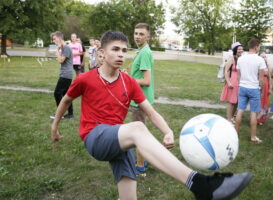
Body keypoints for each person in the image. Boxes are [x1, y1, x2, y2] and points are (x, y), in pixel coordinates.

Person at [50, 31, 252, 200]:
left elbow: (151, 112)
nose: (121, 54)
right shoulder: (85, 79)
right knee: (137, 128)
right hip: (95, 137)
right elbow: (66, 100)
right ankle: (200, 184)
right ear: (102, 53)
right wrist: (55, 126)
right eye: (115, 49)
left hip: (120, 139)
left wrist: (167, 131)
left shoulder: (129, 82)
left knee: (129, 197)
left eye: (123, 50)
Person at [127, 23, 154, 173]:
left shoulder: (144, 52)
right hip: (139, 99)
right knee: (141, 131)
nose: (137, 36)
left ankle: (139, 164)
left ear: (148, 36)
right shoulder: (141, 50)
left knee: (139, 134)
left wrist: (126, 79)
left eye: (141, 34)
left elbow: (146, 81)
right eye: (136, 33)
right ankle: (144, 159)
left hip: (140, 100)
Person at [235, 39, 266, 143]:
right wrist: (261, 90)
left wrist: (241, 84)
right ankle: (253, 137)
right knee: (253, 113)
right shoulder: (259, 60)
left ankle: (235, 135)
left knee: (240, 111)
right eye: (259, 46)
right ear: (256, 47)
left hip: (242, 87)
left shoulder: (241, 58)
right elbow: (261, 79)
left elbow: (238, 76)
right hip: (254, 89)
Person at [50, 31, 74, 119]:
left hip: (65, 75)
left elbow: (61, 60)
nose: (53, 41)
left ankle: (59, 113)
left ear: (59, 38)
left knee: (57, 93)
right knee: (66, 95)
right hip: (66, 75)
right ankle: (70, 113)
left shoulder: (66, 48)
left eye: (54, 39)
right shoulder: (64, 48)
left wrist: (56, 50)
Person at [220, 42, 243, 124]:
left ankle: (232, 117)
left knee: (237, 101)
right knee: (231, 102)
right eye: (239, 49)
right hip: (232, 82)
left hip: (240, 83)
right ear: (235, 50)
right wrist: (228, 82)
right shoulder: (232, 59)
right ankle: (229, 119)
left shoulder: (242, 59)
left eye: (241, 49)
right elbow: (226, 71)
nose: (241, 50)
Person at [257, 52, 271, 125]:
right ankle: (256, 118)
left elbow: (269, 78)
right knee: (258, 101)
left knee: (265, 102)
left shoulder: (267, 66)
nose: (264, 58)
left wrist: (270, 88)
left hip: (266, 86)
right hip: (259, 85)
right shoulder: (257, 65)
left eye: (265, 56)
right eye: (262, 56)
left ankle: (262, 118)